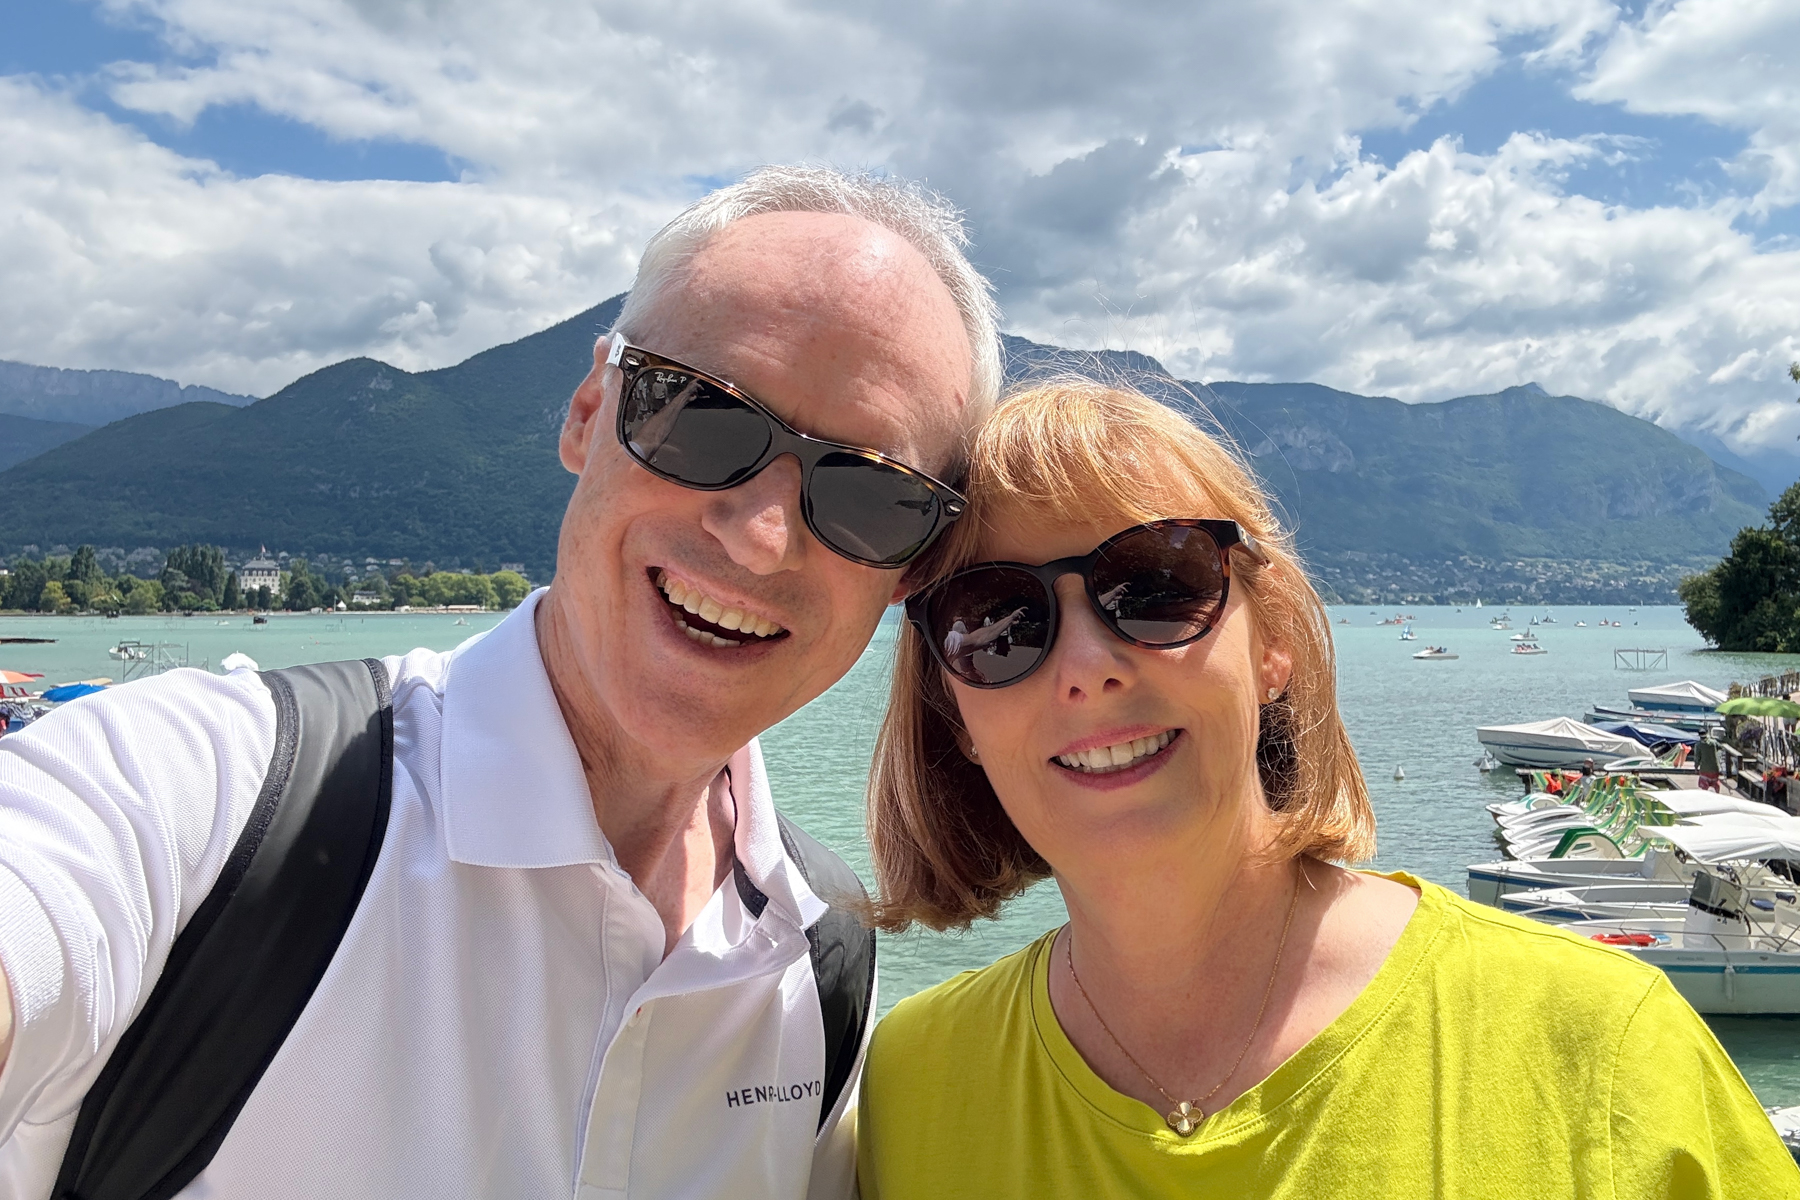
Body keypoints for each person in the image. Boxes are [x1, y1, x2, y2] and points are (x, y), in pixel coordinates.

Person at [0, 166, 1001, 1200]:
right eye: (703, 417)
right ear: (586, 412)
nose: (757, 539)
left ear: (909, 572)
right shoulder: (216, 798)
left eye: (872, 496)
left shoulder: (826, 962)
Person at [856, 380, 1796, 1197]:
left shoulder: (1598, 1045)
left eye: (1155, 584)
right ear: (955, 712)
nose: (1086, 667)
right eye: (997, 620)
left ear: (1276, 645)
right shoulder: (915, 1082)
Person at [1696, 726, 1723, 792]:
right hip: (1715, 768)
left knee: (1704, 787)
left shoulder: (1698, 745)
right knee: (1715, 782)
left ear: (1699, 735)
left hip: (1704, 769)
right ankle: (1717, 794)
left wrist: (1696, 767)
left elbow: (1697, 758)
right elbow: (1720, 747)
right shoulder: (1714, 742)